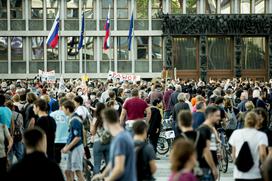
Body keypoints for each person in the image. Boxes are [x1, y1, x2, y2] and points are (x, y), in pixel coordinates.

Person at [92, 108, 136, 181]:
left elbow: (119, 168)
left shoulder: (120, 139)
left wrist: (107, 179)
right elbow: (114, 161)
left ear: (106, 121)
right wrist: (102, 175)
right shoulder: (123, 135)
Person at [176, 110, 218, 181]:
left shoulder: (178, 139)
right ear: (192, 121)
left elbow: (176, 159)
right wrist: (213, 168)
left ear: (180, 122)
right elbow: (206, 152)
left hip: (185, 171)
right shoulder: (200, 135)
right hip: (200, 169)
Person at [229, 112, 268, 181]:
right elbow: (262, 154)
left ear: (245, 120)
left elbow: (233, 155)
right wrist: (265, 169)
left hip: (239, 174)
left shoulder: (236, 133)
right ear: (257, 121)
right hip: (255, 174)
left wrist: (238, 164)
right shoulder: (261, 135)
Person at [61, 100, 84, 181]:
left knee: (78, 171)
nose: (62, 110)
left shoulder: (74, 120)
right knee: (68, 171)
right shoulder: (72, 118)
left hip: (76, 148)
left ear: (67, 109)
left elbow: (77, 137)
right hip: (72, 148)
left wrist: (67, 147)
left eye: (63, 108)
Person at [197, 106, 221, 181]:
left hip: (207, 167)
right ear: (210, 115)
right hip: (205, 168)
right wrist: (213, 168)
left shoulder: (209, 129)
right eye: (217, 115)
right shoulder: (205, 129)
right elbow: (206, 151)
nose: (219, 118)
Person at [90, 102, 110, 174]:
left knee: (97, 164)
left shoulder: (95, 118)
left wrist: (91, 125)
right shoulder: (108, 117)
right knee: (109, 164)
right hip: (108, 142)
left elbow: (93, 132)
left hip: (98, 142)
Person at [50, 97, 69, 164]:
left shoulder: (52, 114)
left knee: (56, 161)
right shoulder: (69, 115)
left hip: (56, 140)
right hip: (66, 140)